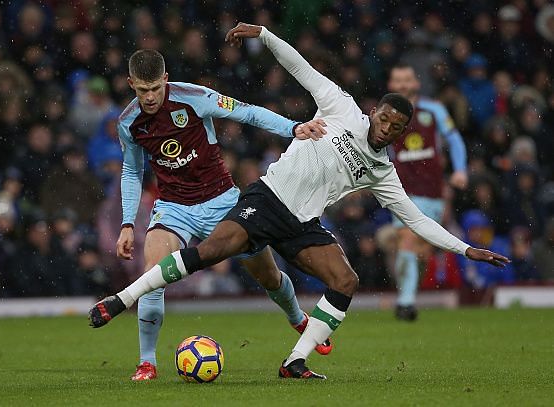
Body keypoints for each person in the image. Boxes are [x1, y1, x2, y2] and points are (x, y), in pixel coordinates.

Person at [90, 24, 509, 380]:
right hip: (266, 200)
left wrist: (465, 248)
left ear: (400, 134)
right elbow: (301, 68)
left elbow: (417, 219)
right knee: (208, 253)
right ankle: (123, 307)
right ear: (374, 111)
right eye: (384, 118)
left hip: (299, 223)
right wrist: (266, 35)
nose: (386, 128)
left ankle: (295, 360)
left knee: (341, 281)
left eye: (395, 127)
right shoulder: (342, 108)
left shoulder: (383, 173)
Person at [97, 49, 331, 381]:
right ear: (131, 84)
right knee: (153, 277)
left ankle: (296, 318)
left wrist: (293, 128)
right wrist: (126, 223)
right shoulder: (128, 122)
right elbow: (132, 172)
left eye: (155, 89)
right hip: (174, 207)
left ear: (165, 80)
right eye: (142, 90)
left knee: (267, 276)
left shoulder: (195, 97)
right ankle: (147, 362)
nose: (149, 97)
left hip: (222, 200)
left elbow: (247, 113)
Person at [386, 63, 468, 321]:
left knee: (418, 248)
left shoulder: (433, 110)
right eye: (397, 81)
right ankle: (406, 303)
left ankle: (407, 296)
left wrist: (460, 170)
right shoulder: (385, 115)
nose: (402, 85)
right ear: (391, 86)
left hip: (431, 191)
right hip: (399, 190)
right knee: (406, 241)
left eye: (406, 80)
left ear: (416, 84)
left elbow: (453, 139)